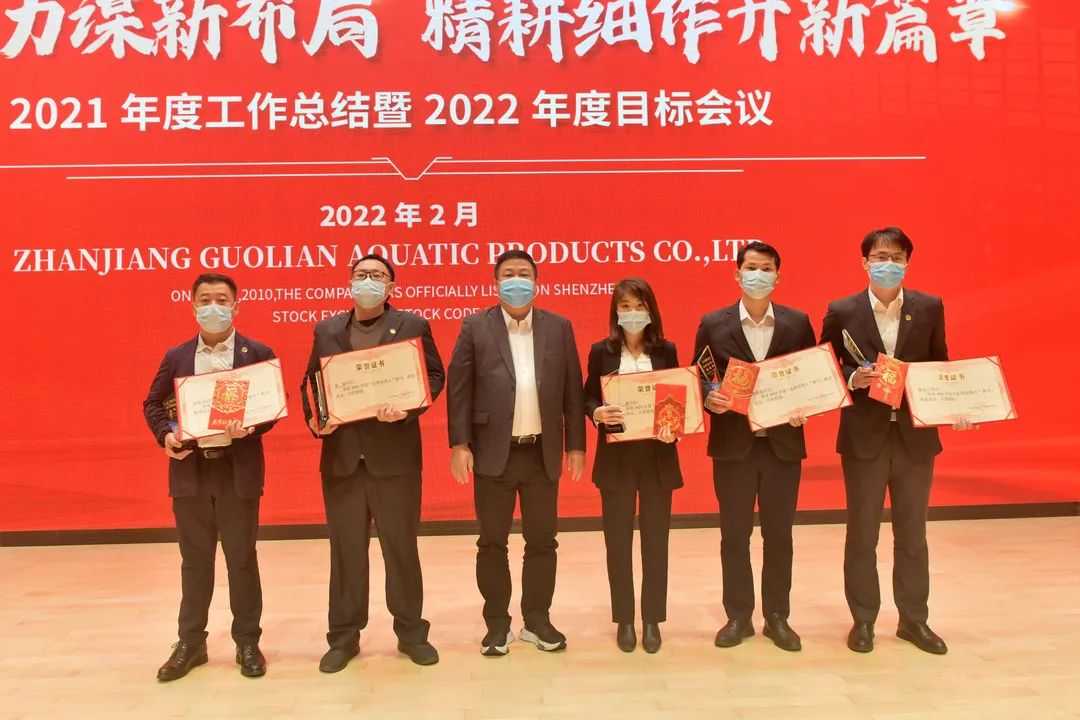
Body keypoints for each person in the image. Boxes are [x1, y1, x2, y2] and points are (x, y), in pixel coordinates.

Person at [821, 227, 974, 655]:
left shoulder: (928, 306)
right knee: (862, 533)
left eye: (896, 257)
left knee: (912, 534)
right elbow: (825, 365)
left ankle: (913, 619)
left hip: (914, 439)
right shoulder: (842, 310)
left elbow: (940, 364)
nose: (887, 264)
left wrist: (955, 407)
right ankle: (863, 620)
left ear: (907, 262)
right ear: (864, 262)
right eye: (879, 257)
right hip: (864, 438)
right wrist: (854, 377)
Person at [300, 254, 445, 671]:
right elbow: (312, 381)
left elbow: (435, 375)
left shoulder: (413, 325)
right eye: (361, 274)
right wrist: (317, 419)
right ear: (349, 282)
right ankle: (343, 637)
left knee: (401, 548)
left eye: (377, 275)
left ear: (391, 287)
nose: (368, 280)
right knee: (346, 552)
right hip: (343, 460)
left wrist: (408, 407)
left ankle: (411, 633)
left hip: (395, 459)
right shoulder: (327, 330)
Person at [446, 249, 586, 656]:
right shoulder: (476, 326)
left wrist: (576, 445)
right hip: (493, 453)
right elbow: (459, 389)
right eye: (508, 274)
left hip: (541, 453)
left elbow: (573, 391)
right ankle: (497, 624)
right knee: (492, 543)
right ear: (496, 282)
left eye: (524, 273)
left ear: (536, 282)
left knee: (542, 541)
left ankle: (537, 620)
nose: (517, 280)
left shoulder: (558, 327)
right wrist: (459, 444)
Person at [143, 273, 276, 681]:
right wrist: (166, 435)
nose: (213, 306)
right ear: (193, 307)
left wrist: (251, 426)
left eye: (221, 299)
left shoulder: (257, 352)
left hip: (238, 471)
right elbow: (153, 404)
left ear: (236, 306)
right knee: (195, 561)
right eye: (205, 300)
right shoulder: (178, 356)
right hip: (191, 471)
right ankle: (191, 642)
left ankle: (247, 641)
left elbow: (271, 406)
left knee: (242, 560)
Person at [693, 241, 817, 652]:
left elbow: (812, 375)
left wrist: (805, 405)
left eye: (766, 268)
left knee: (779, 536)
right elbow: (700, 378)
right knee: (734, 535)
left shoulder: (797, 323)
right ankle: (738, 616)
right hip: (734, 447)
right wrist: (710, 399)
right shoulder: (714, 323)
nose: (758, 275)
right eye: (750, 267)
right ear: (737, 273)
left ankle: (777, 616)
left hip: (783, 445)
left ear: (777, 276)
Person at [583, 278, 682, 654]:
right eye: (625, 306)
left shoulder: (666, 350)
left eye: (639, 305)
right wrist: (597, 413)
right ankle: (624, 619)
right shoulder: (601, 351)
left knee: (656, 543)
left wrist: (675, 427)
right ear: (616, 312)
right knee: (618, 543)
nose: (632, 312)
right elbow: (587, 396)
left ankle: (652, 619)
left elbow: (678, 397)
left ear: (651, 310)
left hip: (657, 457)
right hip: (616, 460)